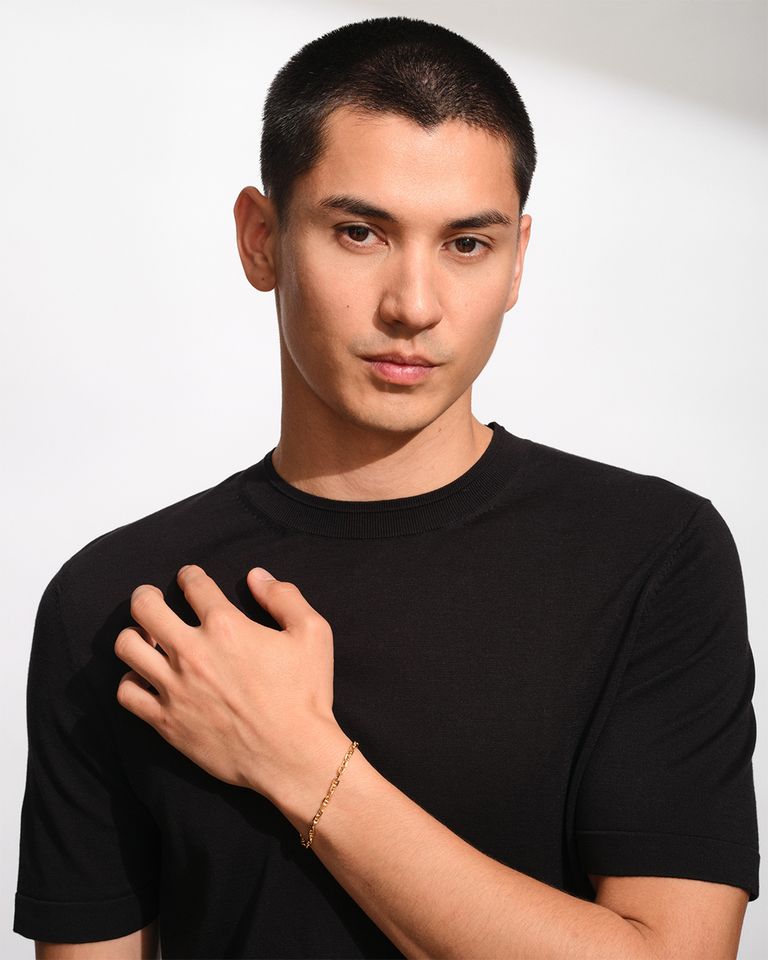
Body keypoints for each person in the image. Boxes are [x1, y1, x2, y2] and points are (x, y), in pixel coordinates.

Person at [14, 15, 759, 960]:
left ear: (518, 260)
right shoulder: (123, 608)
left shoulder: (653, 557)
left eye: (467, 244)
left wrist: (300, 761)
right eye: (360, 232)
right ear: (260, 239)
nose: (414, 305)